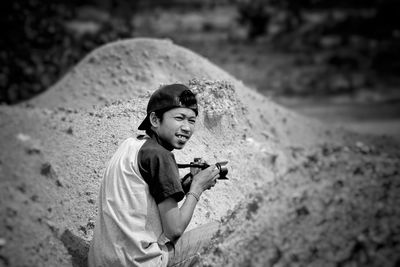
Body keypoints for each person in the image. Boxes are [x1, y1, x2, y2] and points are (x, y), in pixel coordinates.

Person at [88, 84, 222, 267]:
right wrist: (198, 187)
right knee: (221, 230)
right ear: (155, 119)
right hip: (138, 263)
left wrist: (185, 184)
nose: (187, 127)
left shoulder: (130, 145)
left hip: (101, 261)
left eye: (192, 120)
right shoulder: (160, 156)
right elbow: (174, 230)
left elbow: (145, 197)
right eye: (179, 118)